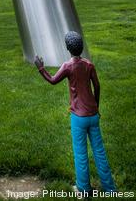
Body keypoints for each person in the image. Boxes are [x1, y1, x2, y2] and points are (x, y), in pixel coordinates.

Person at [34, 31, 117, 196]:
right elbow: (97, 87)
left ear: (67, 48)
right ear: (82, 47)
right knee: (99, 151)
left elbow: (52, 80)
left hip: (78, 117)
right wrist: (96, 106)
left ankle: (84, 189)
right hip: (93, 115)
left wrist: (41, 68)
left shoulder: (67, 67)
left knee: (80, 153)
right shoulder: (89, 65)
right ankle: (110, 189)